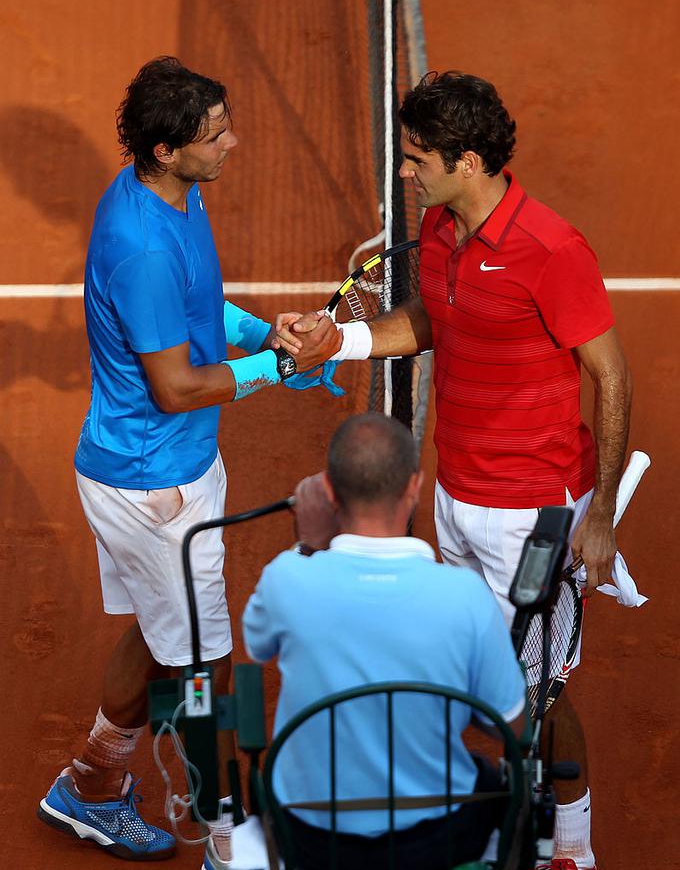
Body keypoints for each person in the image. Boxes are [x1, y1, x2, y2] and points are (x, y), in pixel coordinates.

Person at [289, 71, 633, 870]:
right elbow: (427, 321)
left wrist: (604, 513)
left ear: (469, 161)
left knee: (541, 696)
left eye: (417, 158)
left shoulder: (551, 249)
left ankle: (572, 846)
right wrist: (336, 342)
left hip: (534, 512)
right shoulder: (442, 231)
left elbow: (611, 376)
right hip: (456, 496)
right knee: (483, 675)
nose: (405, 173)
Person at [37, 56, 340, 864]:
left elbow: (200, 303)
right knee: (203, 665)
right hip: (153, 485)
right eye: (216, 135)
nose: (233, 143)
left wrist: (258, 336)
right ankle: (222, 842)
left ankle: (91, 786)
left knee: (163, 627)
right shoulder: (138, 245)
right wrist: (275, 368)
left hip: (164, 469)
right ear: (166, 149)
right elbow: (174, 387)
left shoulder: (173, 191)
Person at [243, 413, 528, 870]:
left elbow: (256, 646)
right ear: (415, 486)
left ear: (330, 493)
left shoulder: (287, 579)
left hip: (311, 840)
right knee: (495, 784)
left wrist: (309, 544)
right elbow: (511, 728)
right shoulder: (465, 597)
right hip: (435, 844)